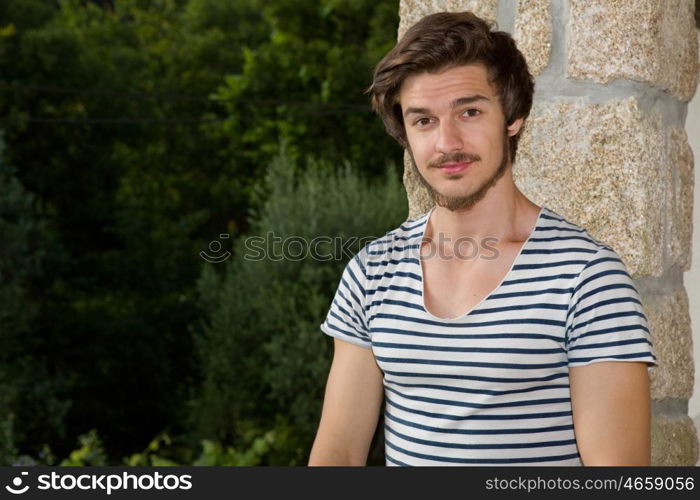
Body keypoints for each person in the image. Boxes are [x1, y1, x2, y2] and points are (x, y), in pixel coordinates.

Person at [308, 11, 656, 466]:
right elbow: (338, 452)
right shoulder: (373, 271)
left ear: (512, 117)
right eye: (424, 121)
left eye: (468, 112)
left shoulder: (587, 279)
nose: (446, 143)